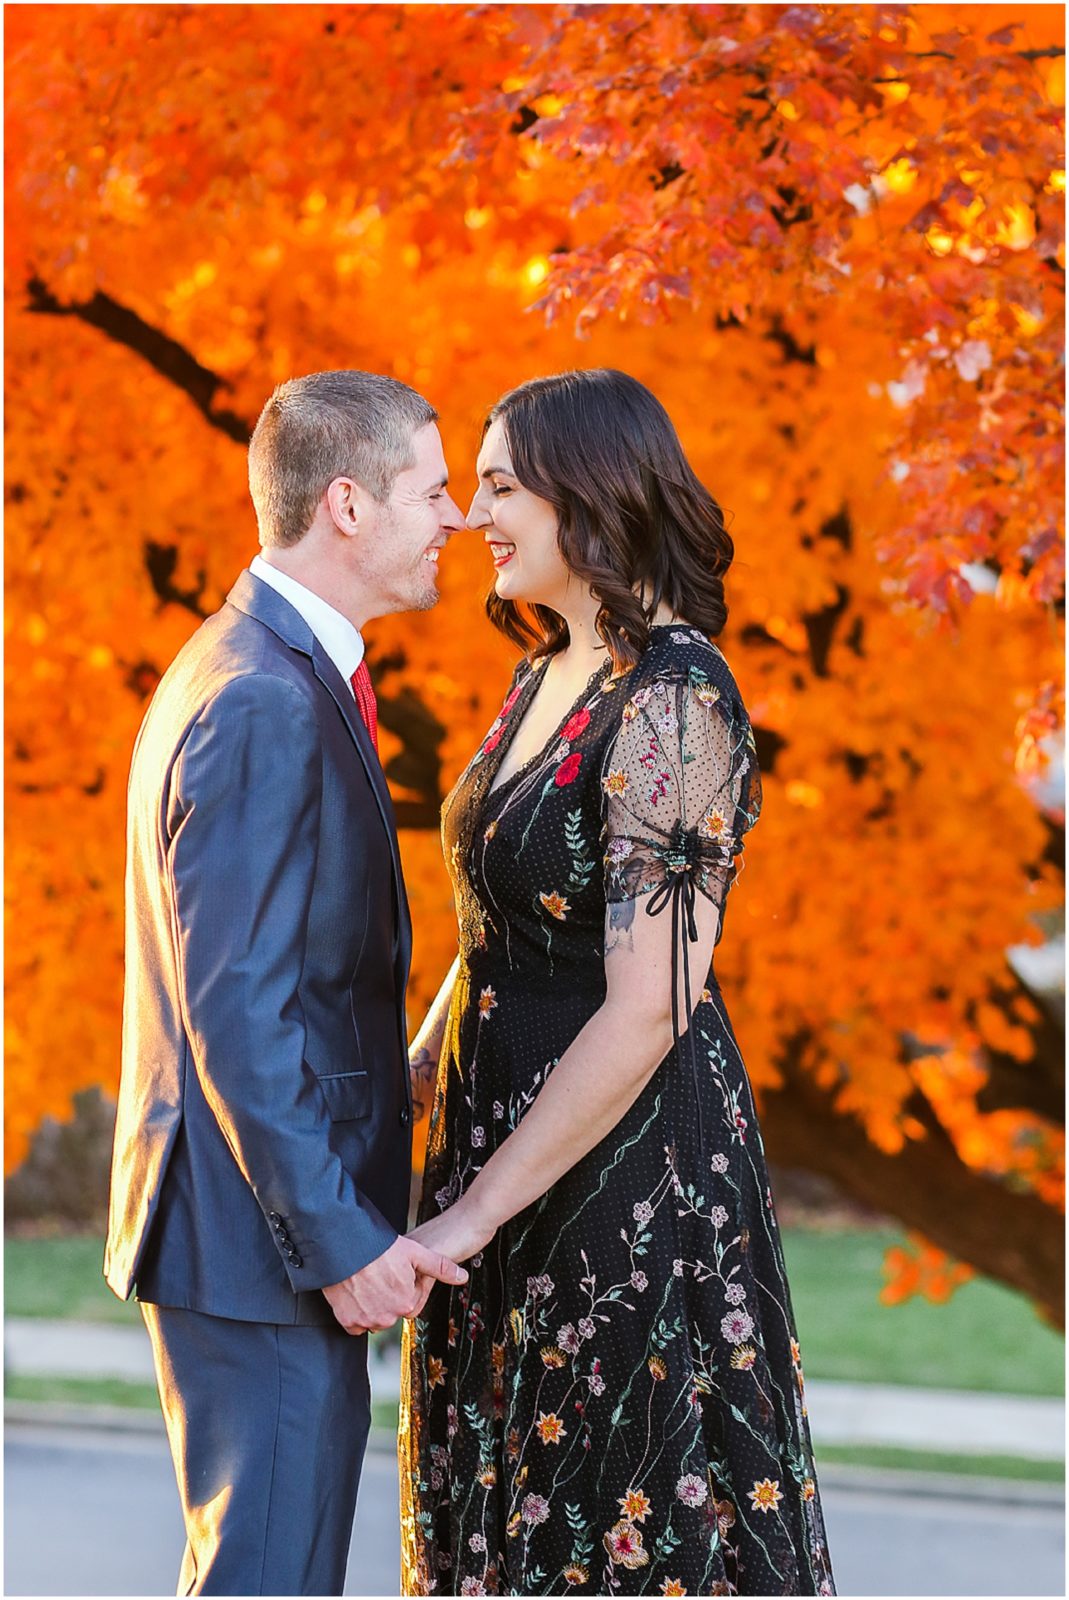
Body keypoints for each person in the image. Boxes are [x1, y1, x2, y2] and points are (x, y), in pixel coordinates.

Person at [400, 370, 835, 1597]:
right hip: (499, 1153)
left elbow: (651, 1000)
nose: (472, 511)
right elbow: (501, 924)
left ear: (585, 490)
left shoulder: (678, 698)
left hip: (619, 1177)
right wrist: (417, 1072)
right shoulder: (546, 672)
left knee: (614, 1531)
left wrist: (473, 1215)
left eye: (497, 484)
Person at [104, 369, 469, 1597]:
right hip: (261, 1247)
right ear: (351, 505)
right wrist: (338, 1241)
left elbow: (290, 982)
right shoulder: (261, 696)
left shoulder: (255, 665)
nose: (457, 517)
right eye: (434, 490)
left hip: (249, 1232)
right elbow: (237, 1016)